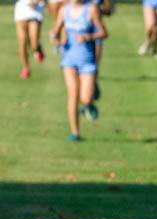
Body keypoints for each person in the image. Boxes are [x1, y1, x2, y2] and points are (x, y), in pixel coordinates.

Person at [49, 0, 106, 140]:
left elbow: (103, 32)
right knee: (73, 95)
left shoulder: (91, 9)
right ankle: (75, 133)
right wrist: (54, 38)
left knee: (85, 99)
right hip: (69, 59)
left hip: (87, 60)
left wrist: (88, 37)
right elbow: (55, 31)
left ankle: (89, 101)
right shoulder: (64, 10)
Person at [14, 0, 46, 80]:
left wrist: (36, 2)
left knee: (34, 44)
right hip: (21, 9)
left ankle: (38, 49)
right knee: (22, 42)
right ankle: (26, 68)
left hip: (35, 10)